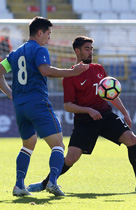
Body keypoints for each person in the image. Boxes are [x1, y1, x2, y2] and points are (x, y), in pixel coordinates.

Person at [27, 36, 136, 193]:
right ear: (77, 51)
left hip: (105, 115)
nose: (90, 52)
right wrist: (88, 110)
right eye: (87, 49)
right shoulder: (70, 75)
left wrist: (124, 112)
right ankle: (44, 184)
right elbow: (68, 106)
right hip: (85, 121)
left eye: (91, 49)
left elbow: (110, 95)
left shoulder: (99, 69)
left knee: (132, 139)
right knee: (71, 158)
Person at [0, 16, 89, 197]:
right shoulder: (40, 50)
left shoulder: (15, 53)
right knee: (58, 145)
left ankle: (19, 186)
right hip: (37, 102)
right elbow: (45, 70)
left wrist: (11, 94)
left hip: (20, 105)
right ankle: (53, 183)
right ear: (39, 33)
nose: (49, 38)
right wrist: (72, 72)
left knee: (28, 144)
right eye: (48, 34)